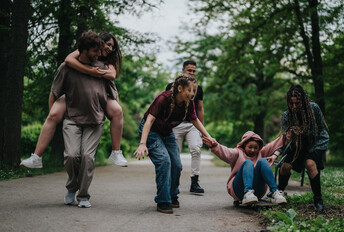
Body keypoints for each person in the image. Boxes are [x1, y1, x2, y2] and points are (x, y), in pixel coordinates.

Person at [20, 32, 127, 168]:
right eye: (108, 44)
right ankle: (36, 157)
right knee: (53, 114)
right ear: (98, 43)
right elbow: (68, 60)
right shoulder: (84, 52)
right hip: (73, 96)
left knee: (117, 110)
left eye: (113, 47)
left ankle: (116, 152)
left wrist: (94, 71)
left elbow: (112, 75)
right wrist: (90, 71)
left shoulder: (107, 63)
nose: (110, 49)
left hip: (99, 97)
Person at [134, 73, 213, 214]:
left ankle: (172, 195)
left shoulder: (188, 104)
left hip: (167, 132)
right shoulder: (163, 98)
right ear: (180, 89)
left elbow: (195, 121)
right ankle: (163, 201)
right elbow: (149, 121)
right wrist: (142, 143)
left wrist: (208, 136)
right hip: (152, 131)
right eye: (190, 90)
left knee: (176, 164)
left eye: (194, 90)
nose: (192, 93)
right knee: (164, 161)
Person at [50, 31, 108, 208]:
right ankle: (72, 187)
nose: (98, 54)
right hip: (72, 118)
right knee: (71, 155)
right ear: (82, 50)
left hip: (95, 120)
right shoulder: (66, 68)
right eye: (94, 50)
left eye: (100, 50)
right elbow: (54, 93)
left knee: (87, 157)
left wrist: (115, 116)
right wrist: (51, 119)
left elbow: (113, 95)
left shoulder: (102, 67)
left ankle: (83, 196)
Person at [277, 85, 329, 211]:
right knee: (284, 167)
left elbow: (321, 129)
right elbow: (284, 138)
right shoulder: (286, 115)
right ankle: (278, 194)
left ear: (304, 100)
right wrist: (278, 150)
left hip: (317, 142)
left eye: (298, 103)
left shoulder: (314, 108)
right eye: (291, 103)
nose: (294, 107)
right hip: (298, 145)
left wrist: (303, 131)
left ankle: (318, 200)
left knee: (310, 164)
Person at [202, 131, 287, 205]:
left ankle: (275, 192)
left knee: (263, 161)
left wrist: (288, 134)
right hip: (239, 190)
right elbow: (225, 152)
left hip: (257, 191)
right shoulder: (237, 153)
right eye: (250, 147)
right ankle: (248, 193)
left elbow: (274, 144)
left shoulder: (261, 153)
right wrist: (214, 146)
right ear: (244, 145)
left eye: (256, 148)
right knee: (248, 163)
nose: (253, 150)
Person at [165, 60, 205, 194]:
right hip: (176, 125)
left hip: (192, 124)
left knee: (196, 149)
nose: (192, 73)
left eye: (194, 71)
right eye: (189, 70)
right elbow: (167, 107)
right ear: (183, 70)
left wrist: (202, 131)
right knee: (175, 153)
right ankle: (173, 182)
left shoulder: (198, 88)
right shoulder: (172, 86)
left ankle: (195, 182)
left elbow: (200, 109)